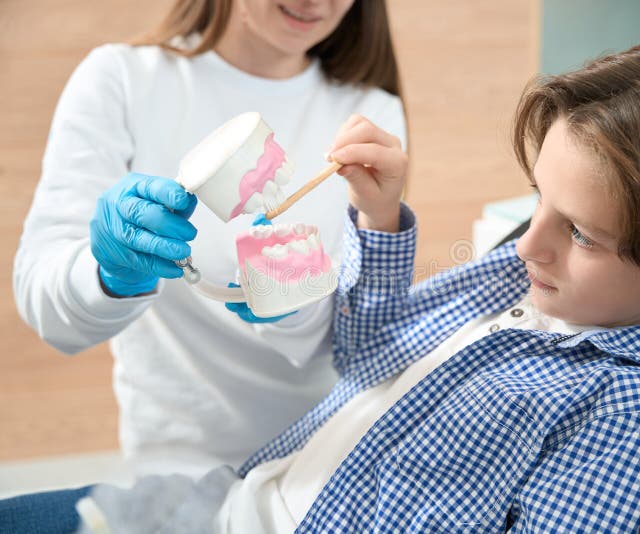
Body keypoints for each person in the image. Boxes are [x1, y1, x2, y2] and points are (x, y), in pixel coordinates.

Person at [3, 29, 640, 533]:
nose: (528, 245)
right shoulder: (520, 280)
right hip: (231, 501)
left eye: (582, 233)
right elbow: (366, 356)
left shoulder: (638, 412)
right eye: (538, 201)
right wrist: (379, 221)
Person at [12, 0, 407, 477]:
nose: (316, 3)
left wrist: (294, 306)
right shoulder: (122, 79)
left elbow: (367, 341)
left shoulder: (369, 120)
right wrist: (111, 275)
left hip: (332, 457)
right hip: (183, 467)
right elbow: (49, 315)